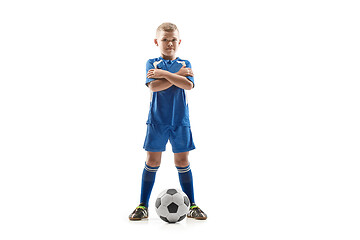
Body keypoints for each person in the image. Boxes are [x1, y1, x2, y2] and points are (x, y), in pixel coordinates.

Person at [129, 22, 207, 221]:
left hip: (181, 121)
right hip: (157, 121)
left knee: (182, 161)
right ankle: (142, 206)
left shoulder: (185, 64)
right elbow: (154, 87)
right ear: (157, 41)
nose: (169, 43)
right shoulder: (151, 63)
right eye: (165, 39)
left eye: (173, 40)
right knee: (152, 161)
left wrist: (166, 75)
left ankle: (193, 205)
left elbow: (187, 85)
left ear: (179, 41)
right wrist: (175, 76)